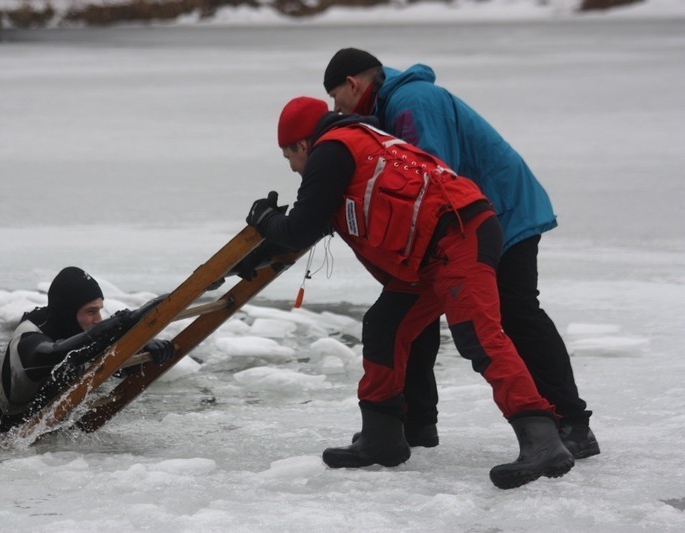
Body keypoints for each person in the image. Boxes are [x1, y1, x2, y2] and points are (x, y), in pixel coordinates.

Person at [246, 96, 574, 489]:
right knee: (386, 325)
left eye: (290, 158)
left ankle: (541, 437)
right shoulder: (357, 140)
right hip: (431, 250)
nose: (295, 168)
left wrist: (264, 218)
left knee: (477, 333)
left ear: (301, 144)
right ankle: (381, 437)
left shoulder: (331, 148)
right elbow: (317, 216)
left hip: (457, 235)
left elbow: (300, 228)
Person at [320, 48, 599, 459]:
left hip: (504, 212)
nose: (335, 108)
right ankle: (417, 424)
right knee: (414, 311)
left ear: (352, 84)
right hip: (477, 217)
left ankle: (572, 424)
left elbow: (431, 176)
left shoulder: (413, 102)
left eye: (335, 98)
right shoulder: (390, 105)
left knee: (517, 313)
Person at [0, 266, 175, 435]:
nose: (97, 319)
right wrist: (122, 323)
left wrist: (144, 352)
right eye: (90, 312)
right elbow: (58, 353)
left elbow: (114, 365)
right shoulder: (28, 340)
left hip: (35, 439)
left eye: (99, 310)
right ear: (67, 312)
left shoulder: (78, 330)